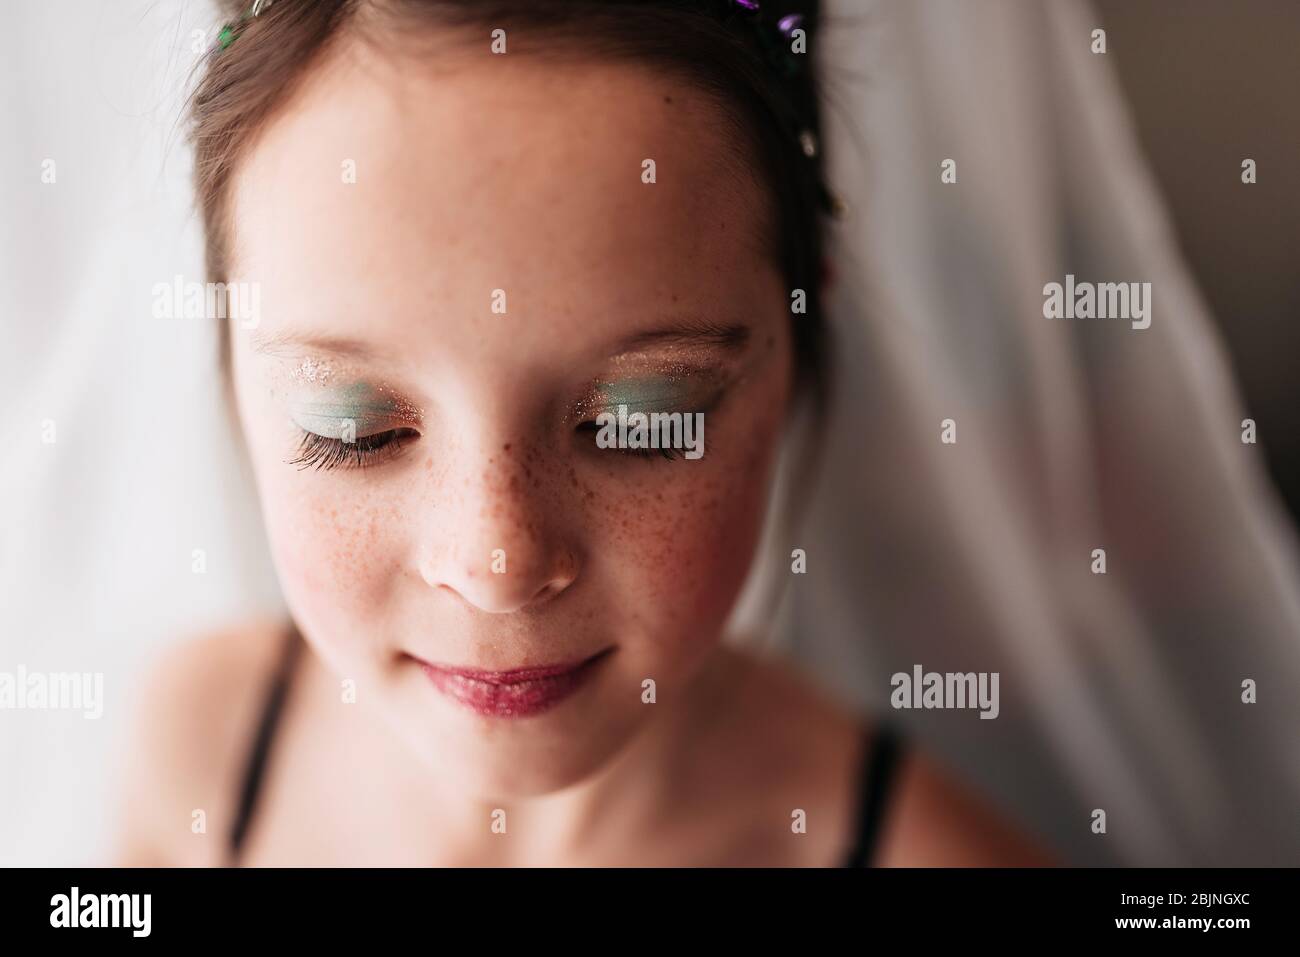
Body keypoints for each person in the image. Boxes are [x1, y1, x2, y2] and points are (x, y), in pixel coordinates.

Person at [113, 0, 1052, 867]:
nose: (499, 563)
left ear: (803, 333)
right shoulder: (202, 750)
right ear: (227, 356)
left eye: (640, 419)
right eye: (353, 427)